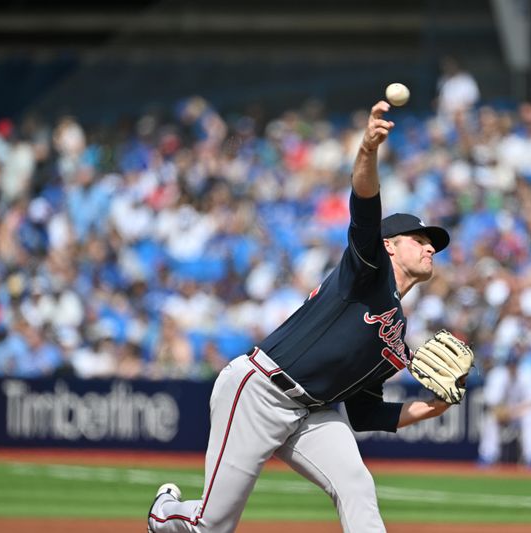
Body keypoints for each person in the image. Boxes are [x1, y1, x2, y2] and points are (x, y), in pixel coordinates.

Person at [147, 100, 456, 533]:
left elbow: (365, 413)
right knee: (211, 526)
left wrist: (429, 408)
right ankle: (164, 514)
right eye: (419, 239)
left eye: (433, 244)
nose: (429, 248)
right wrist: (367, 150)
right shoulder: (367, 271)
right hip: (259, 391)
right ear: (389, 245)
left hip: (313, 412)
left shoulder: (397, 336)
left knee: (356, 486)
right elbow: (365, 208)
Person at [478, 352, 531, 467]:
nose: (512, 368)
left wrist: (512, 412)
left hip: (522, 412)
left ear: (519, 365)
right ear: (506, 365)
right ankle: (487, 455)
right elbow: (492, 403)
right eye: (510, 365)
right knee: (490, 418)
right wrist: (502, 412)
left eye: (514, 365)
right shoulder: (497, 375)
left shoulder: (528, 374)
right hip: (503, 412)